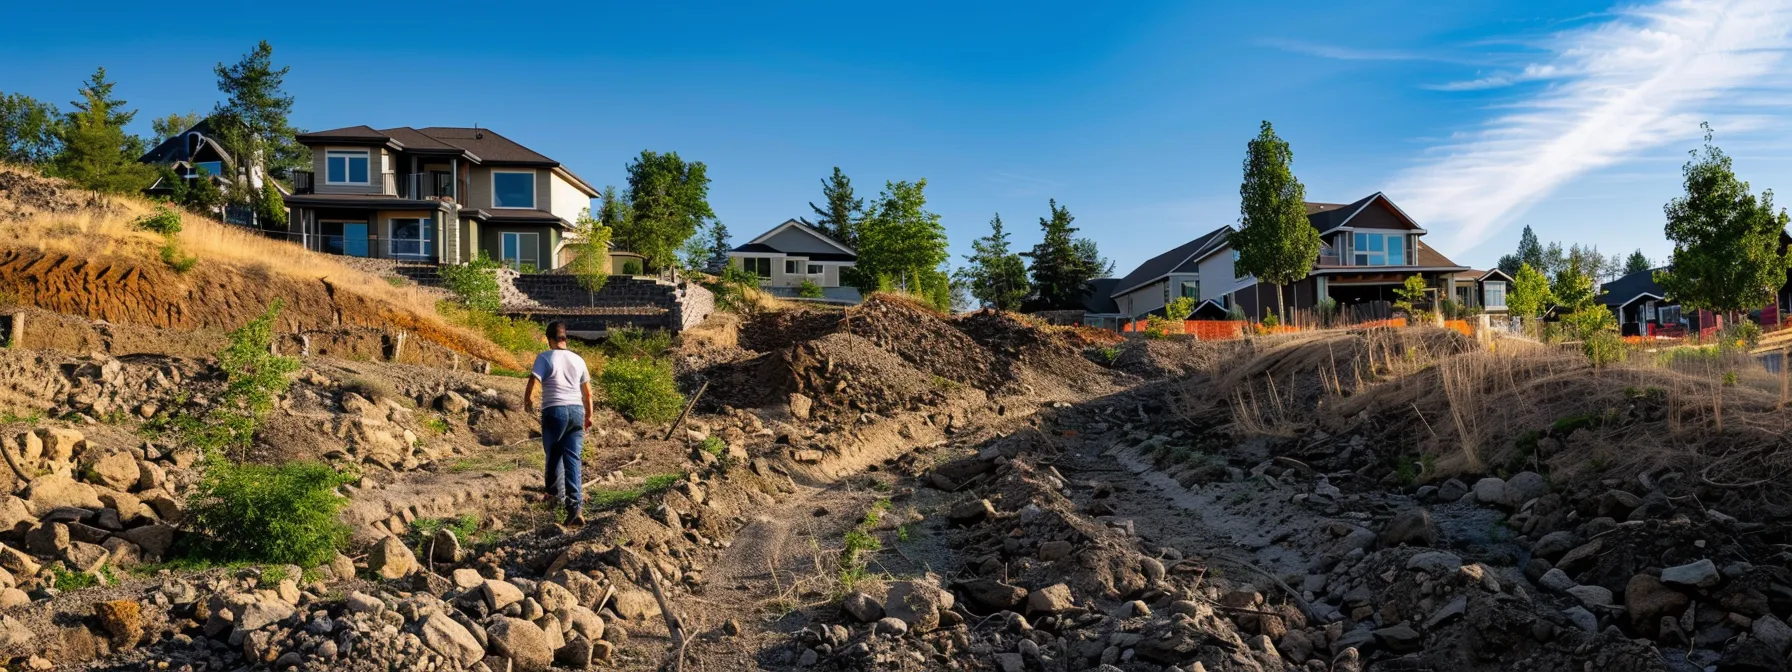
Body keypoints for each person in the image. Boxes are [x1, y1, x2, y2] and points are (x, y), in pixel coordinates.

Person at [522, 321, 593, 526]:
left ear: (549, 339)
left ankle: (552, 493)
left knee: (553, 454)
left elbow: (533, 381)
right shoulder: (578, 359)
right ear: (565, 338)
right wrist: (589, 415)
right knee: (573, 459)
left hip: (554, 411)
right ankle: (575, 508)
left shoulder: (545, 357)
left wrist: (528, 402)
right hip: (577, 411)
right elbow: (587, 392)